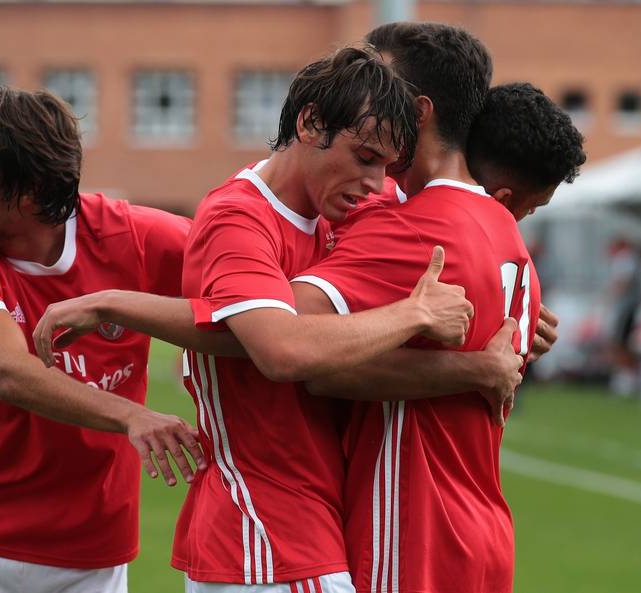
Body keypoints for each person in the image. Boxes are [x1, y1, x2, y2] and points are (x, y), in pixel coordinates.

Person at [39, 46, 474, 592]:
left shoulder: (356, 206)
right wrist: (413, 314)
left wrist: (516, 301)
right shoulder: (237, 219)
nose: (376, 183)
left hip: (317, 528)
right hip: (263, 534)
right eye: (364, 157)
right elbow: (280, 350)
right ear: (311, 122)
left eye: (387, 166)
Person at [292, 26, 587, 593]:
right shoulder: (509, 232)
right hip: (484, 537)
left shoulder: (409, 228)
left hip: (414, 538)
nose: (360, 96)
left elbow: (293, 343)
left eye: (377, 84)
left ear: (418, 111)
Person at [0, 88, 206, 593]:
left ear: (29, 190)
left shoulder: (136, 237)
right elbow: (8, 371)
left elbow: (254, 295)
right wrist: (132, 416)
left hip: (91, 555)